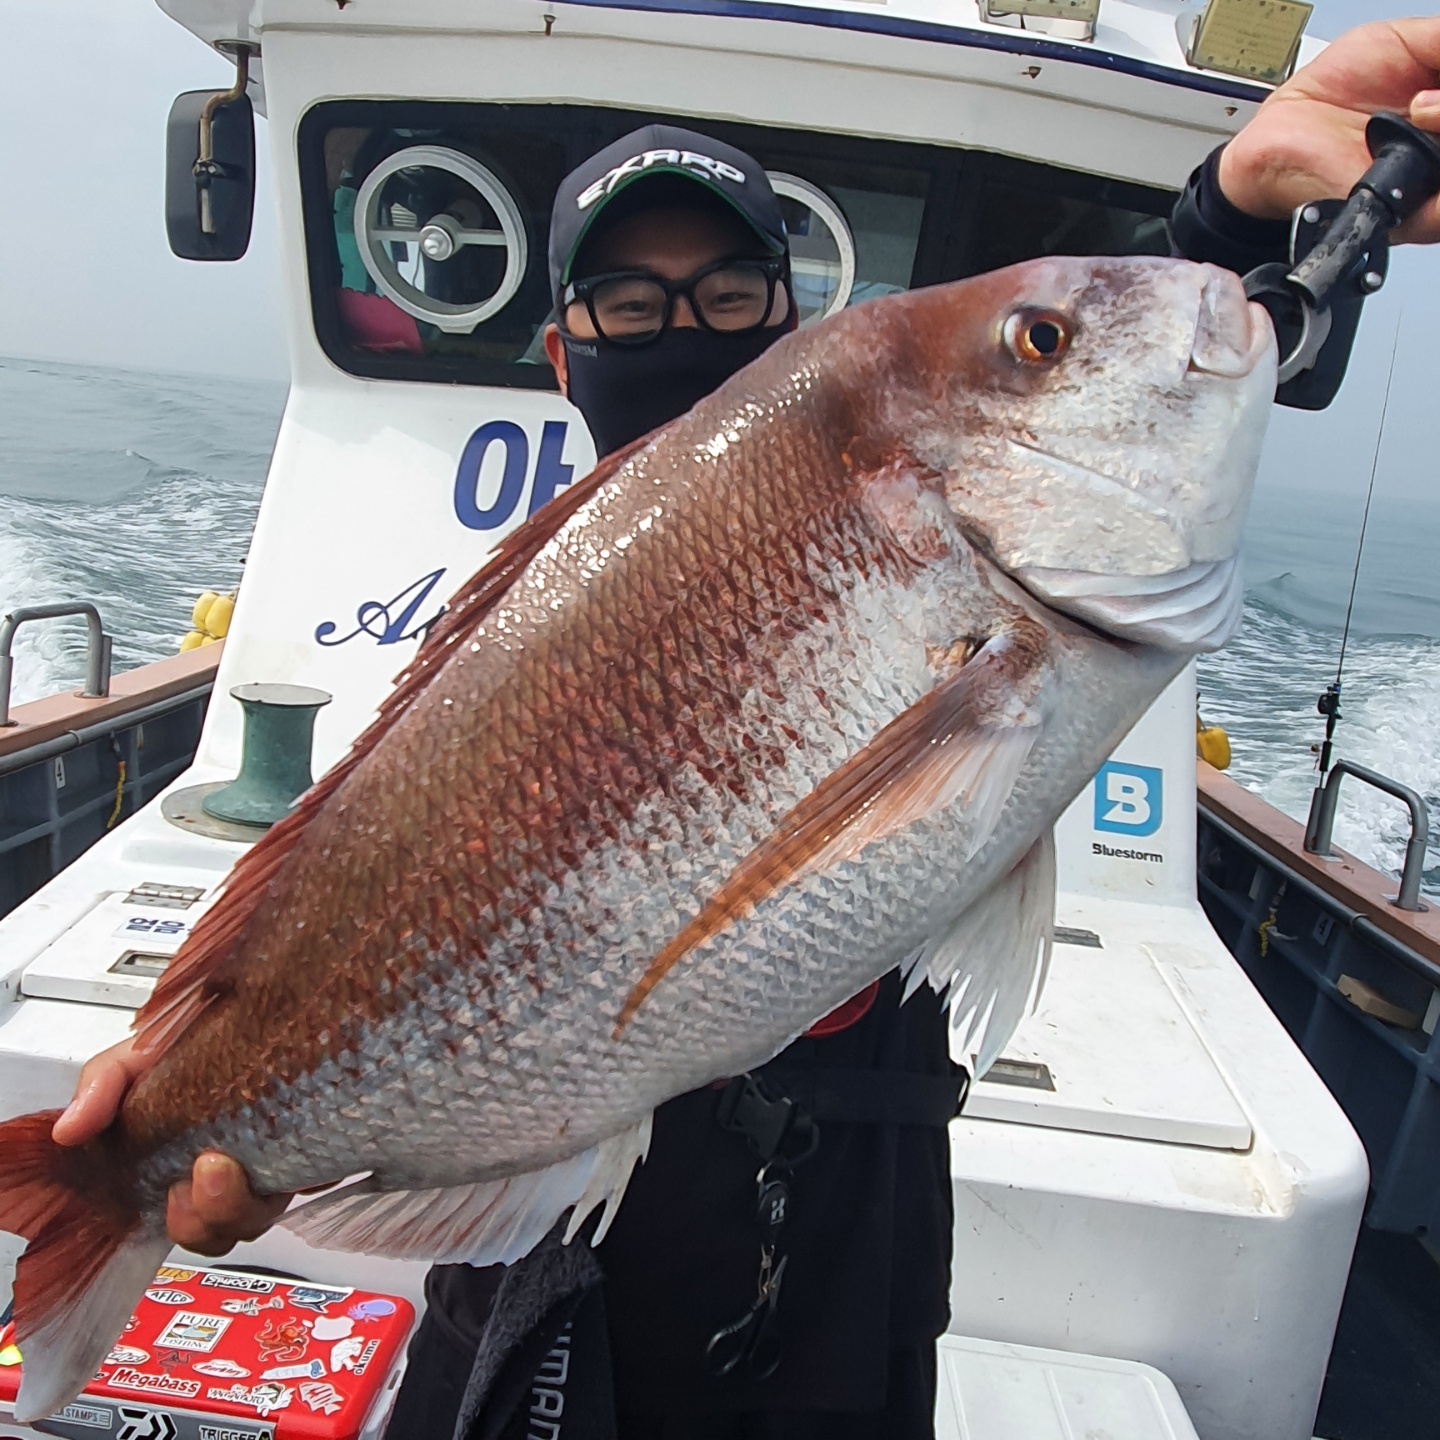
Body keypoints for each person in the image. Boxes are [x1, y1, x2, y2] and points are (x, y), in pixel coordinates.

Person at [52, 16, 1440, 1439]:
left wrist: (1235, 204)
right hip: (544, 1252)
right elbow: (350, 896)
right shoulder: (539, 631)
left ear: (786, 319)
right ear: (563, 355)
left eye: (725, 294)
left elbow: (1129, 361)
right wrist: (186, 1092)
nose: (681, 329)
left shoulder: (909, 523)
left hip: (842, 1234)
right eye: (629, 305)